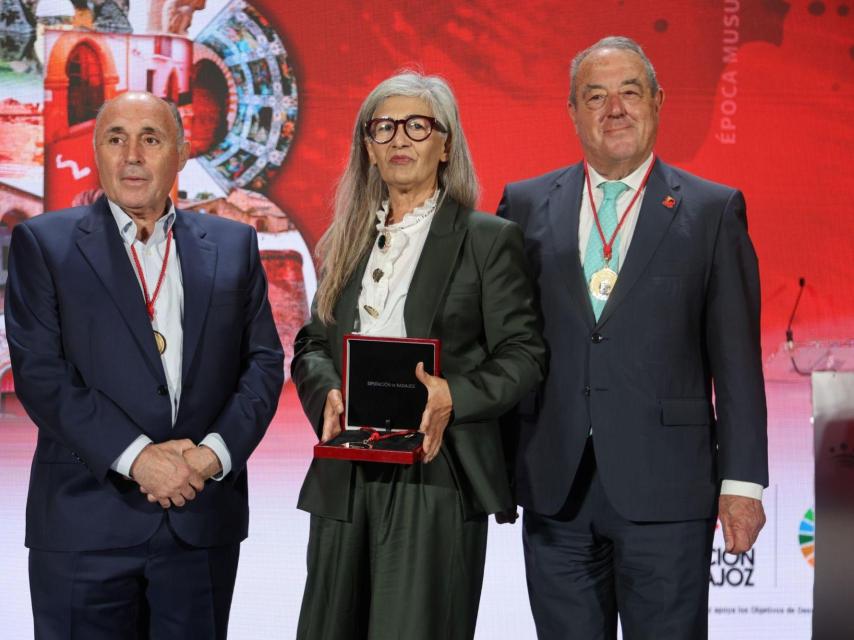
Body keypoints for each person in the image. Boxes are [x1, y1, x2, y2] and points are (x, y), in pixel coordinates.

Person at [497, 36, 768, 639]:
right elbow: (503, 345)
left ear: (658, 101)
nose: (613, 108)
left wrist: (743, 485)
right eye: (595, 96)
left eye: (629, 92)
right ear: (572, 111)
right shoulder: (523, 204)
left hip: (670, 490)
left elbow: (738, 364)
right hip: (554, 488)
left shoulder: (712, 210)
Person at [5, 91, 284, 639]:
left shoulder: (234, 245)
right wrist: (138, 459)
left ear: (179, 154)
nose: (132, 154)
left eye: (150, 139)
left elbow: (263, 365)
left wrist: (210, 456)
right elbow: (41, 375)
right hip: (85, 525)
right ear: (96, 152)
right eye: (115, 139)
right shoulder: (45, 244)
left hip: (200, 519)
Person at [292, 71, 546, 640]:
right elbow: (312, 342)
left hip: (437, 472)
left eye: (417, 126)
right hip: (344, 472)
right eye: (384, 128)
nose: (399, 139)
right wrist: (326, 390)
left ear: (445, 143)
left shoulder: (487, 239)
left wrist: (455, 395)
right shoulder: (344, 239)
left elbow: (525, 354)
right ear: (368, 147)